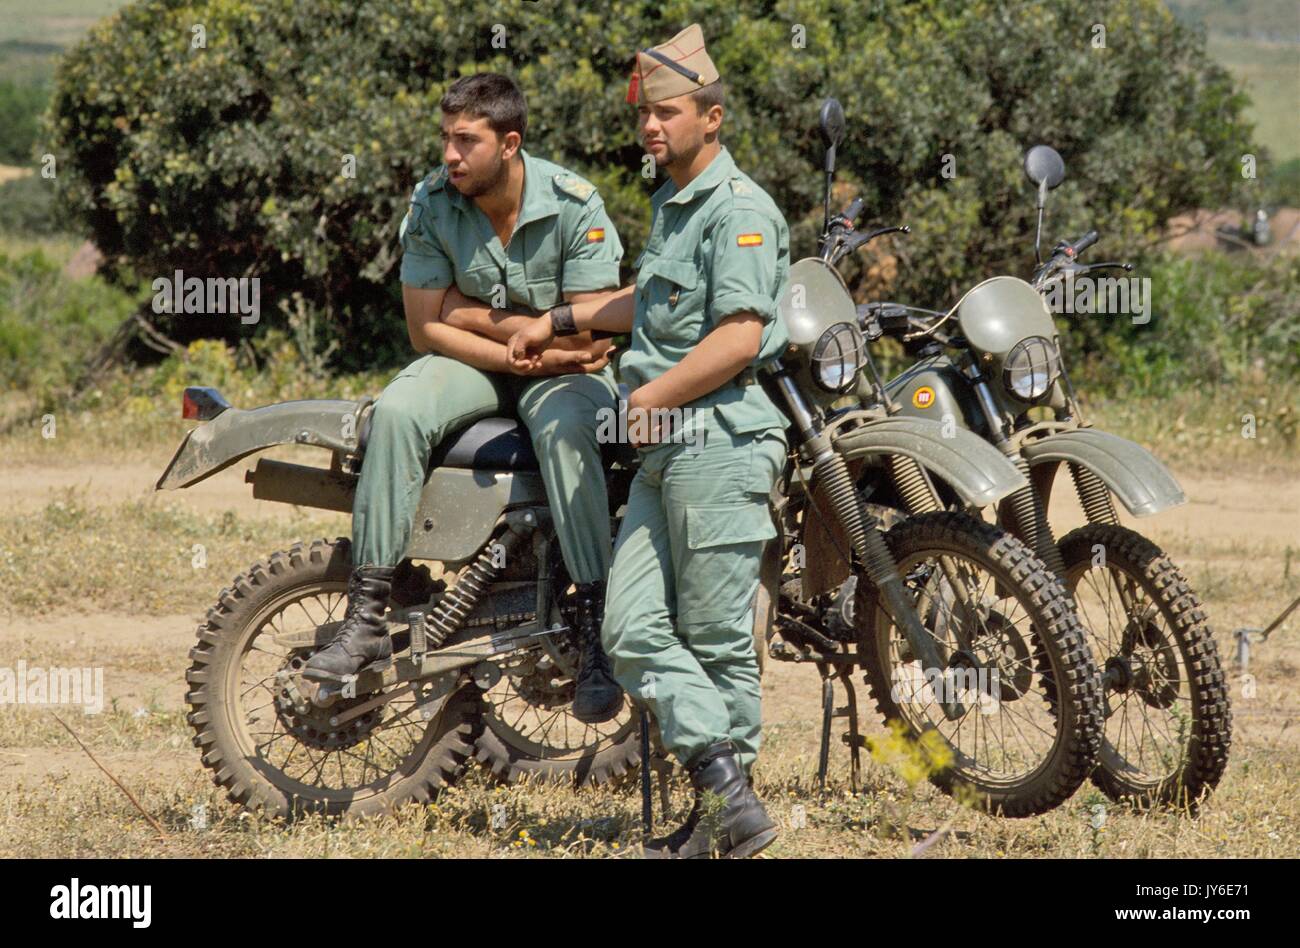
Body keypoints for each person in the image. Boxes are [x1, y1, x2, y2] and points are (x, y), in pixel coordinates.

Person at [507, 24, 791, 858]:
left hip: (721, 441)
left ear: (713, 117)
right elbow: (655, 304)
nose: (651, 128)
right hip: (669, 448)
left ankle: (719, 820)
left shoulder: (740, 210)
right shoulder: (676, 204)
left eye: (668, 113)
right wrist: (558, 317)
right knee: (629, 628)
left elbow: (739, 335)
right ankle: (726, 792)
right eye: (647, 116)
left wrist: (650, 395)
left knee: (714, 642)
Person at [305, 73, 625, 726]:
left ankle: (596, 629)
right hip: (489, 364)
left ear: (509, 144)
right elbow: (426, 328)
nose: (450, 155)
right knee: (394, 411)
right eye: (446, 138)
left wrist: (470, 312)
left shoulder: (574, 204)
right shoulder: (432, 202)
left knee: (567, 432)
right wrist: (519, 339)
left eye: (466, 141)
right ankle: (366, 616)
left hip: (564, 371)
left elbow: (593, 326)